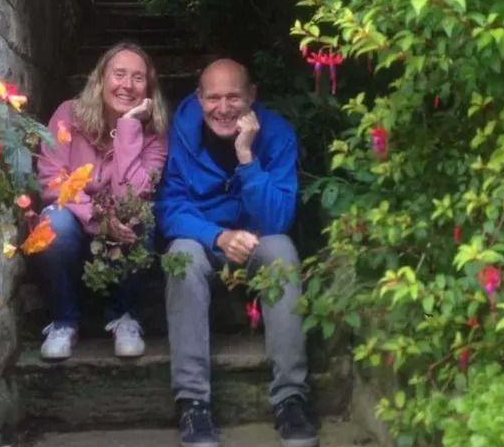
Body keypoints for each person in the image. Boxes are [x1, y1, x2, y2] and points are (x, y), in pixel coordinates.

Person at [156, 59, 318, 447]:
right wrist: (217, 236)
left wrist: (247, 157)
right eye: (213, 97)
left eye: (233, 97)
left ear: (251, 96)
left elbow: (278, 217)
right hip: (203, 237)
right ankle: (193, 402)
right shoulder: (181, 132)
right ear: (199, 98)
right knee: (180, 257)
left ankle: (291, 398)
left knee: (282, 251)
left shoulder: (277, 134)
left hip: (258, 237)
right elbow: (169, 209)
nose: (223, 107)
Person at [35, 42, 169, 360]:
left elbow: (133, 195)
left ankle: (125, 315)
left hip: (121, 234)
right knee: (52, 223)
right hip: (75, 225)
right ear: (100, 79)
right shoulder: (68, 115)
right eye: (119, 74)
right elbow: (53, 179)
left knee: (141, 218)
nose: (127, 85)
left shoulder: (156, 135)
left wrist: (128, 128)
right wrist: (98, 216)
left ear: (149, 88)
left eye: (138, 78)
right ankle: (64, 321)